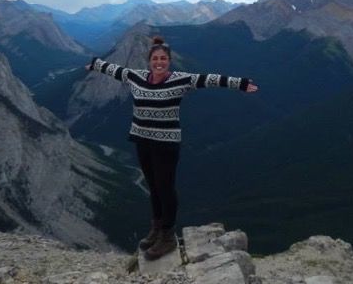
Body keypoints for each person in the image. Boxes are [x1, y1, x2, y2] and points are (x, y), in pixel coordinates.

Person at [85, 35, 258, 260]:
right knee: (153, 187)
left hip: (166, 144)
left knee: (165, 188)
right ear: (149, 60)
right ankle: (156, 229)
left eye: (163, 59)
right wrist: (96, 64)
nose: (159, 62)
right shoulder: (136, 77)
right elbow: (115, 70)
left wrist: (241, 84)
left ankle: (167, 236)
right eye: (155, 58)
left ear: (169, 61)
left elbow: (209, 79)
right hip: (142, 140)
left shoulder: (180, 80)